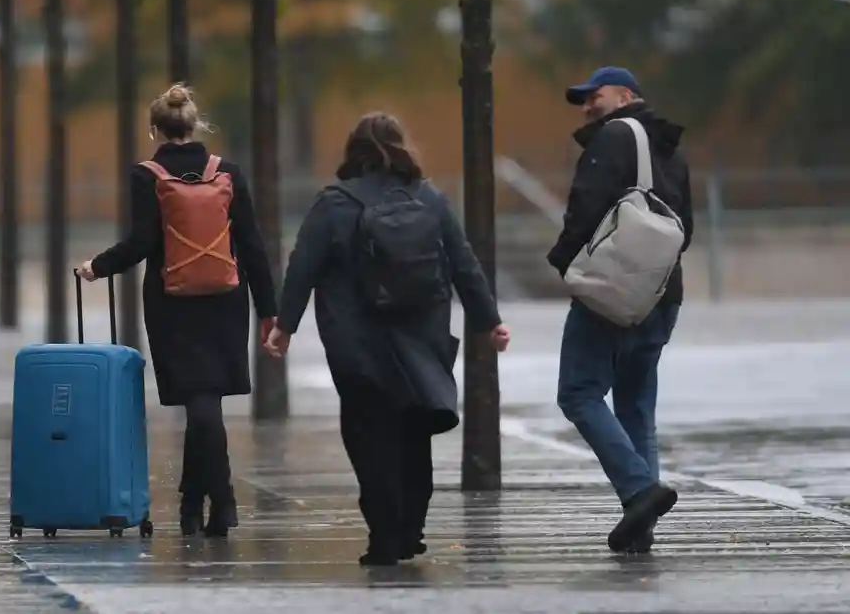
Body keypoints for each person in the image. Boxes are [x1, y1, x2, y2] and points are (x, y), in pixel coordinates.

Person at [264, 112, 510, 567]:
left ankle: (385, 535)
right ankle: (411, 527)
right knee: (413, 436)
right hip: (422, 338)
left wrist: (286, 324)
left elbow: (303, 266)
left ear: (352, 151)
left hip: (357, 345)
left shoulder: (334, 204)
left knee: (368, 436)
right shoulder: (430, 199)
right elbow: (463, 263)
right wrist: (488, 320)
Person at [78, 84, 277, 538]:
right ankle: (192, 503)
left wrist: (97, 267)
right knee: (205, 403)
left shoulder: (145, 175)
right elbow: (252, 245)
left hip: (172, 303)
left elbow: (143, 242)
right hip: (226, 301)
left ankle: (221, 502)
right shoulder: (228, 172)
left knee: (200, 403)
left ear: (155, 130)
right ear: (195, 123)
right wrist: (270, 312)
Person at [546, 66, 693, 554]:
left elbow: (585, 207)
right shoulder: (670, 147)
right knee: (635, 403)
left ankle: (638, 491)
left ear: (626, 94)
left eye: (595, 94)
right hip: (661, 293)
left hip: (611, 293)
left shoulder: (612, 138)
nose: (587, 104)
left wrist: (564, 261)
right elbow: (685, 228)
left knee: (579, 393)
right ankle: (640, 526)